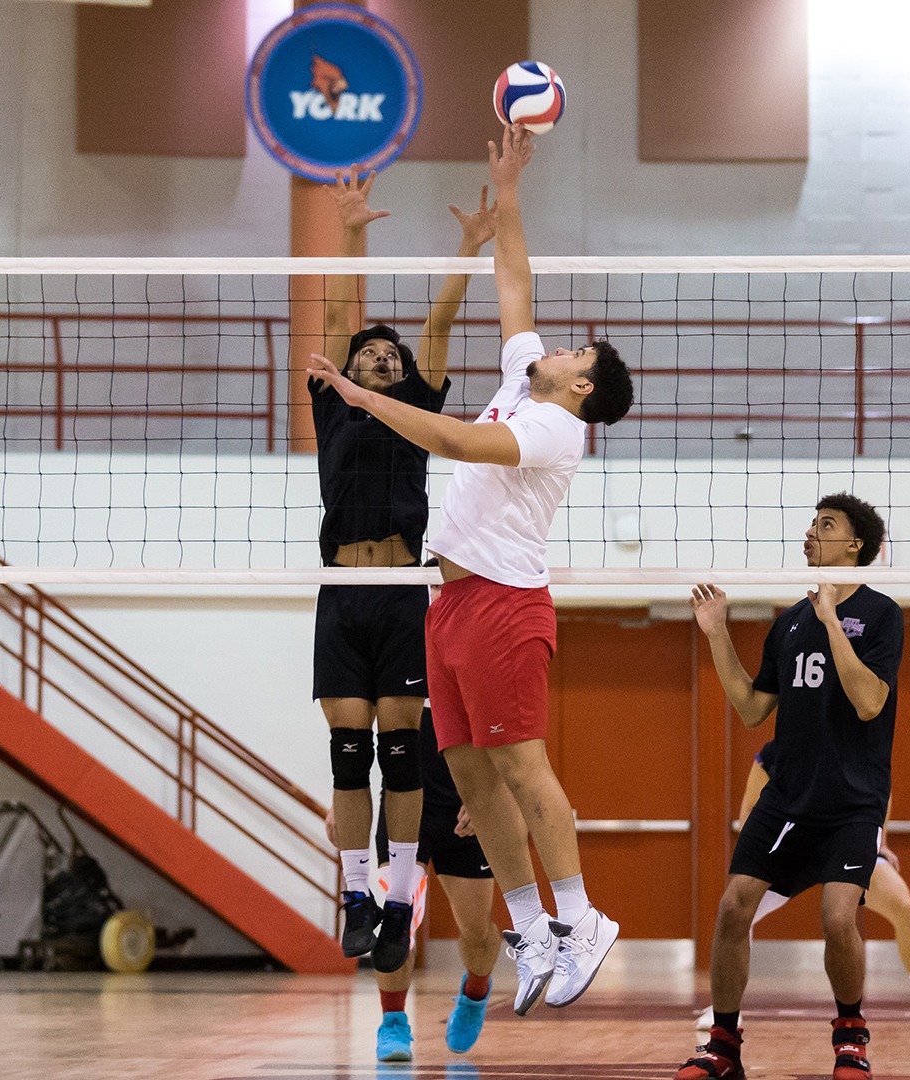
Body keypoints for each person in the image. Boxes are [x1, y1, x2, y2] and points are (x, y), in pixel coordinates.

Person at [305, 123, 635, 1015]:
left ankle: (581, 918)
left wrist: (362, 393)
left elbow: (453, 438)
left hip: (503, 605)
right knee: (472, 774)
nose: (559, 348)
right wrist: (513, 191)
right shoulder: (531, 375)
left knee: (524, 771)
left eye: (576, 356)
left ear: (582, 388)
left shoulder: (553, 426)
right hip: (446, 602)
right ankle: (528, 931)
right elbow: (515, 282)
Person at [313, 172, 494, 973]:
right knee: (349, 755)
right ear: (349, 371)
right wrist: (351, 230)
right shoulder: (334, 406)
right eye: (370, 354)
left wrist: (468, 246)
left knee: (402, 752)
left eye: (392, 356)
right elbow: (334, 314)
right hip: (342, 591)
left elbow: (442, 317)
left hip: (404, 589)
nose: (384, 358)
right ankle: (355, 895)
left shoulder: (416, 403)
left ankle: (396, 895)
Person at [678, 494, 901, 1080]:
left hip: (853, 799)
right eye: (811, 523)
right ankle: (723, 1045)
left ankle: (850, 1038)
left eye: (825, 525)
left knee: (836, 917)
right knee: (732, 909)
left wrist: (832, 620)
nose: (810, 532)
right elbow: (753, 709)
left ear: (855, 545)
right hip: (789, 796)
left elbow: (870, 701)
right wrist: (716, 633)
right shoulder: (788, 622)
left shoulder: (882, 614)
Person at [713, 744, 910, 1032]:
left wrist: (880, 842)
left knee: (903, 906)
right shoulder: (773, 755)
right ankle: (724, 1010)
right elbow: (750, 810)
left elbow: (882, 789)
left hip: (848, 843)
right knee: (738, 913)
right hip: (794, 849)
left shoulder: (857, 746)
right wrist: (755, 860)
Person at [357, 702, 501, 1063]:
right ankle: (392, 1021)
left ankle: (475, 993)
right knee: (395, 920)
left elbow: (508, 731)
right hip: (404, 807)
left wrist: (487, 789)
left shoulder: (473, 656)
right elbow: (354, 733)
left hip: (463, 809)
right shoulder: (395, 658)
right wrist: (340, 798)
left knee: (477, 931)